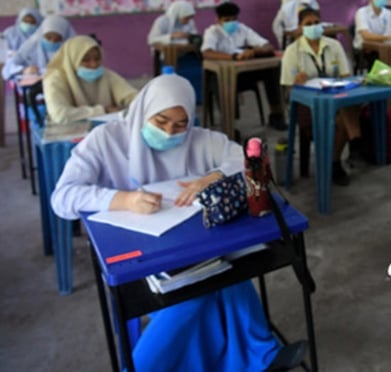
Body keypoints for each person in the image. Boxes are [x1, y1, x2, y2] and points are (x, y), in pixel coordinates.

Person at [50, 74, 288, 371]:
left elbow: (246, 159)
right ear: (143, 110)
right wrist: (122, 200)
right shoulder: (107, 140)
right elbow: (62, 198)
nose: (169, 132)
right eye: (160, 121)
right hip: (136, 259)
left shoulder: (197, 140)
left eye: (179, 125)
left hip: (192, 249)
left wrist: (213, 176)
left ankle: (258, 354)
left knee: (226, 273)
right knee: (203, 292)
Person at [280, 8, 359, 186]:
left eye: (316, 23)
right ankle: (338, 158)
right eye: (308, 24)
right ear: (300, 27)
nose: (313, 27)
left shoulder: (334, 45)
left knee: (350, 108)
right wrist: (296, 83)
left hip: (336, 97)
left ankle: (333, 161)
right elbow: (288, 90)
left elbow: (346, 76)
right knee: (344, 119)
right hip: (309, 104)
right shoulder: (293, 51)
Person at [202, 1, 287, 130]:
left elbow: (267, 45)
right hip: (221, 75)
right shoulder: (212, 32)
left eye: (234, 19)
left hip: (243, 73)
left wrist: (253, 51)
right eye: (227, 20)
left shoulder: (242, 28)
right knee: (223, 81)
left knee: (272, 71)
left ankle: (276, 114)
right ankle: (230, 125)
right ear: (218, 20)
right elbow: (207, 53)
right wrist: (233, 57)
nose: (232, 23)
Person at [43, 35, 138, 124]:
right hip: (67, 134)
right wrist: (102, 111)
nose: (93, 65)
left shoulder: (106, 75)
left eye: (97, 59)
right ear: (73, 60)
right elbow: (60, 115)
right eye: (85, 60)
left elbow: (132, 96)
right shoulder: (54, 80)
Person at [2, 15, 75, 80]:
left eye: (57, 39)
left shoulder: (71, 49)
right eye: (48, 37)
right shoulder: (31, 46)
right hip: (35, 91)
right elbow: (8, 68)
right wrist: (23, 70)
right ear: (41, 35)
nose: (52, 42)